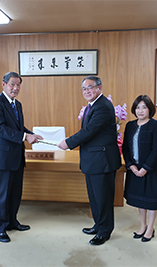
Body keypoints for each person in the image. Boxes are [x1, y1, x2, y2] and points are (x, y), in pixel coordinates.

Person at [58, 76, 121, 246]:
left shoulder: (103, 106)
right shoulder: (92, 105)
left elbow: (89, 130)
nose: (87, 91)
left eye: (90, 87)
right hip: (93, 160)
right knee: (95, 197)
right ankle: (99, 225)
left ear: (99, 88)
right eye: (84, 89)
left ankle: (104, 231)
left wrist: (68, 142)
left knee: (103, 198)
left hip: (102, 160)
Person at [0, 72, 43, 243]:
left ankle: (12, 221)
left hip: (17, 157)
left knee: (15, 193)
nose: (15, 88)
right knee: (1, 195)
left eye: (18, 85)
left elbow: (18, 126)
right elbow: (0, 129)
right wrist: (25, 137)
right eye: (12, 84)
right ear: (3, 84)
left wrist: (29, 132)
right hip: (2, 158)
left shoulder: (17, 104)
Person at [122, 95, 157, 242]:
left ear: (150, 109)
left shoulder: (156, 125)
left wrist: (145, 168)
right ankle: (143, 225)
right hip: (135, 168)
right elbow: (125, 148)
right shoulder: (130, 125)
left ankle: (150, 227)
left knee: (151, 200)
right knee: (140, 200)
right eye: (137, 107)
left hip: (151, 169)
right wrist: (131, 165)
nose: (140, 110)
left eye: (144, 107)